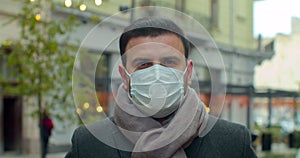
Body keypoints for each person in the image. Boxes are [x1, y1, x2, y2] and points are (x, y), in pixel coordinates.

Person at [66, 17, 257, 158]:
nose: (157, 73)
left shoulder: (232, 143)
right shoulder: (89, 143)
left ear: (188, 73)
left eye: (169, 62)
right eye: (143, 64)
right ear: (125, 76)